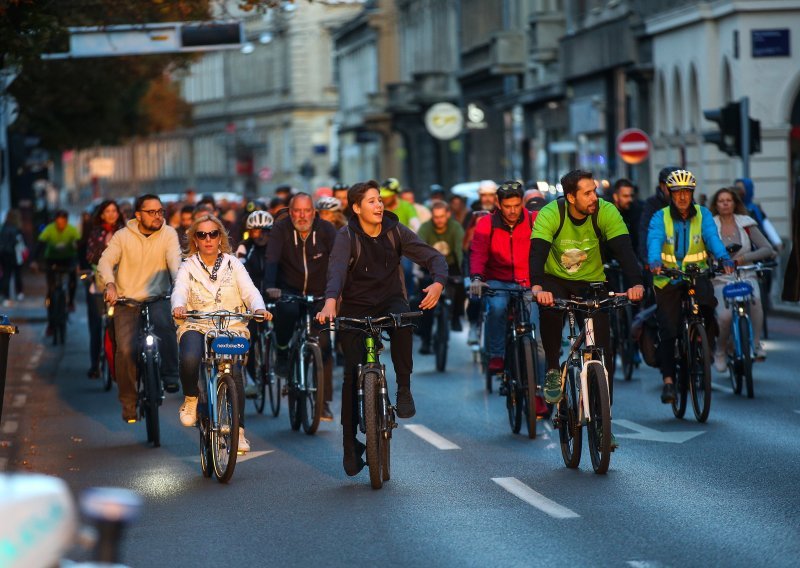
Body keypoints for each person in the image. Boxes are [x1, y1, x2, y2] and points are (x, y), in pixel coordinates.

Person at [316, 180, 447, 476]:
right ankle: (350, 444)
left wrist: (438, 282)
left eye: (379, 200)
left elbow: (433, 256)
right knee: (351, 373)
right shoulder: (346, 236)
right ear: (357, 208)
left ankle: (403, 388)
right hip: (355, 307)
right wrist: (329, 303)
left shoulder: (395, 231)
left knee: (403, 324)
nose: (379, 206)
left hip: (390, 300)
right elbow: (335, 272)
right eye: (372, 201)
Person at [532, 170, 644, 447]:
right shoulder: (550, 214)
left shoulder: (605, 211)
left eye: (594, 190)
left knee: (603, 353)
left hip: (593, 282)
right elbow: (536, 253)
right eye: (587, 193)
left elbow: (625, 251)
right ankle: (551, 369)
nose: (594, 197)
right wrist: (537, 287)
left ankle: (604, 424)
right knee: (550, 310)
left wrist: (637, 284)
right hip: (555, 280)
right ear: (570, 197)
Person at [171, 214, 271, 454]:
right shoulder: (188, 265)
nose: (208, 239)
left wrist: (259, 308)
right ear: (195, 239)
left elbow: (250, 291)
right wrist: (179, 306)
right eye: (202, 234)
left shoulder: (232, 263)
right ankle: (192, 399)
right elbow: (179, 290)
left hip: (231, 325)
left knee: (235, 373)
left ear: (220, 238)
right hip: (197, 323)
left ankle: (239, 432)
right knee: (189, 358)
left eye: (213, 234)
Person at [647, 170, 732, 404]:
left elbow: (712, 238)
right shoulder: (660, 217)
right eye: (678, 192)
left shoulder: (703, 215)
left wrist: (724, 258)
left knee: (709, 312)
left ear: (692, 194)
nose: (683, 197)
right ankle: (669, 382)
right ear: (670, 194)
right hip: (668, 278)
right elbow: (654, 240)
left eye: (687, 192)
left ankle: (702, 346)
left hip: (697, 276)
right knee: (668, 329)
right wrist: (654, 261)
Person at [98, 194, 182, 423]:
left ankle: (171, 374)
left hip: (158, 297)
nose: (158, 216)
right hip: (127, 302)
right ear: (138, 215)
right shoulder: (122, 236)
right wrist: (110, 284)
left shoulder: (169, 234)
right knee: (125, 350)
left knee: (166, 324)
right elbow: (105, 262)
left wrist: (180, 288)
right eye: (151, 212)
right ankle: (128, 402)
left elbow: (175, 263)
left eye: (160, 211)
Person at [264, 193, 338, 421]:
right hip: (289, 290)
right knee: (286, 312)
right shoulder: (281, 229)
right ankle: (284, 353)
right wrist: (270, 286)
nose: (302, 216)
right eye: (297, 211)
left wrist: (335, 294)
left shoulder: (326, 230)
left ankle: (323, 403)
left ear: (313, 212)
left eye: (307, 211)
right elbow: (272, 260)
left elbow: (338, 262)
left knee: (323, 343)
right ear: (290, 211)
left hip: (320, 294)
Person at [469, 180, 535, 372]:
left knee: (537, 323)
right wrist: (476, 278)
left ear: (522, 202)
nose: (513, 211)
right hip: (498, 282)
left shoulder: (534, 219)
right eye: (507, 207)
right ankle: (497, 355)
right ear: (498, 204)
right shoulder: (486, 223)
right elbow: (478, 252)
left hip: (528, 282)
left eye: (516, 205)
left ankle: (539, 385)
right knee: (497, 309)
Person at [709, 187, 775, 368]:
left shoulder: (746, 223)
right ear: (716, 205)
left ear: (735, 203)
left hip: (746, 273)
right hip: (721, 278)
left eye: (728, 200)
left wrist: (743, 259)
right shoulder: (710, 226)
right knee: (725, 316)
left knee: (755, 300)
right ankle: (721, 350)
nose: (725, 203)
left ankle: (756, 343)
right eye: (721, 200)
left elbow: (767, 248)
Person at [417, 201, 465, 352]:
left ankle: (456, 316)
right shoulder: (425, 228)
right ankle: (425, 339)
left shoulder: (455, 227)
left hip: (451, 265)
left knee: (460, 286)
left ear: (448, 215)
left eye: (442, 216)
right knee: (424, 300)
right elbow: (419, 247)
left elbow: (459, 249)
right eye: (436, 217)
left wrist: (463, 271)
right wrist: (418, 269)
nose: (439, 220)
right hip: (429, 266)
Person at [84, 200, 125, 378]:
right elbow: (90, 255)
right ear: (101, 214)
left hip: (123, 286)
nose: (111, 214)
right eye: (107, 211)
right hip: (99, 285)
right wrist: (108, 254)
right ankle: (95, 365)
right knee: (96, 327)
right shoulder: (95, 233)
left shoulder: (125, 232)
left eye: (114, 210)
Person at [462, 180, 498, 344]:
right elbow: (464, 244)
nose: (487, 198)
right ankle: (474, 327)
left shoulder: (500, 212)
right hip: (476, 259)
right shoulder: (472, 214)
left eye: (491, 195)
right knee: (474, 296)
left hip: (496, 261)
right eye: (484, 195)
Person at [32, 210, 80, 317]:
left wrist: (79, 263)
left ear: (66, 221)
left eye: (63, 223)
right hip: (51, 259)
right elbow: (39, 244)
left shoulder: (72, 230)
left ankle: (71, 302)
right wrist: (34, 261)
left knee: (72, 280)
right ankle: (50, 319)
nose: (61, 225)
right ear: (55, 221)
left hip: (68, 258)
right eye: (58, 223)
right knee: (51, 288)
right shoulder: (49, 229)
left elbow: (79, 246)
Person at [638, 166, 680, 264]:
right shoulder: (652, 205)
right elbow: (644, 232)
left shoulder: (688, 202)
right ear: (662, 186)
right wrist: (647, 260)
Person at [610, 178, 642, 256]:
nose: (630, 199)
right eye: (625, 196)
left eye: (631, 196)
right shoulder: (608, 214)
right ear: (615, 197)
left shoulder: (636, 210)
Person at [0, 209, 26, 306]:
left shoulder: (4, 227)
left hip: (3, 254)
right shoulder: (16, 229)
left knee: (6, 275)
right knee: (17, 274)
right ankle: (19, 293)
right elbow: (18, 242)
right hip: (14, 254)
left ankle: (5, 296)